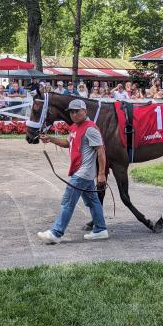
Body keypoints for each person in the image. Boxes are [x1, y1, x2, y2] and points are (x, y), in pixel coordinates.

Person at [37, 98, 108, 243]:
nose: (74, 114)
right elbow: (67, 142)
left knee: (68, 201)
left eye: (77, 111)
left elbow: (101, 151)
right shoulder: (75, 127)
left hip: (83, 173)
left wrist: (101, 174)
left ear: (85, 111)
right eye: (71, 112)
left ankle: (56, 233)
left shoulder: (90, 128)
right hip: (82, 172)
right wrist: (50, 139)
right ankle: (101, 230)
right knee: (93, 202)